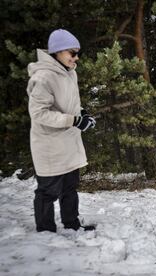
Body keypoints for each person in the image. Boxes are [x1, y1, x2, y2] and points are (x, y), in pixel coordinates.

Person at [27, 29, 96, 233]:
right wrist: (73, 120)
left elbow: (69, 103)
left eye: (77, 53)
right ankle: (46, 230)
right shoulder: (43, 77)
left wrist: (81, 113)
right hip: (50, 145)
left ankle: (72, 223)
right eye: (72, 53)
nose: (76, 58)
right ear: (57, 51)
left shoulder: (69, 71)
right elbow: (39, 114)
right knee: (48, 191)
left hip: (68, 141)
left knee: (70, 187)